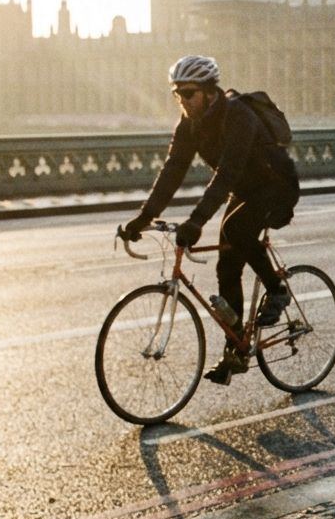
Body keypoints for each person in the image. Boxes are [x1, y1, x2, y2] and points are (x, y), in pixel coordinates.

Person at [121, 55, 300, 384]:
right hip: (244, 190)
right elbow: (173, 171)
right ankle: (235, 351)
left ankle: (277, 291)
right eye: (177, 95)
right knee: (226, 267)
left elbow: (226, 175)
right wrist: (144, 217)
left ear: (207, 91)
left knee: (235, 230)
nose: (183, 101)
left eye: (188, 94)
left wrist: (196, 221)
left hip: (275, 185)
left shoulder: (239, 116)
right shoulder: (189, 124)